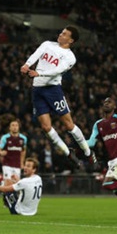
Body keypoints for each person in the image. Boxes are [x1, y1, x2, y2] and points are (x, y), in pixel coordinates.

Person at [20, 25, 96, 167]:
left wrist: (39, 73)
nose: (60, 34)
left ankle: (88, 152)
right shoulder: (47, 44)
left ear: (71, 40)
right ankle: (69, 153)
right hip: (37, 90)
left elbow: (58, 70)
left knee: (68, 125)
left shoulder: (70, 57)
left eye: (65, 34)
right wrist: (27, 64)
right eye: (61, 32)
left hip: (53, 90)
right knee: (46, 127)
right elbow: (36, 54)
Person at [0, 119, 28, 186]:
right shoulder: (5, 137)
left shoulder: (23, 138)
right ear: (10, 128)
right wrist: (1, 152)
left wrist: (22, 162)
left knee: (16, 182)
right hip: (7, 164)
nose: (15, 127)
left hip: (17, 164)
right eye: (13, 125)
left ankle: (6, 189)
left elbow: (23, 151)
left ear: (19, 127)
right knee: (8, 181)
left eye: (16, 125)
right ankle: (5, 194)